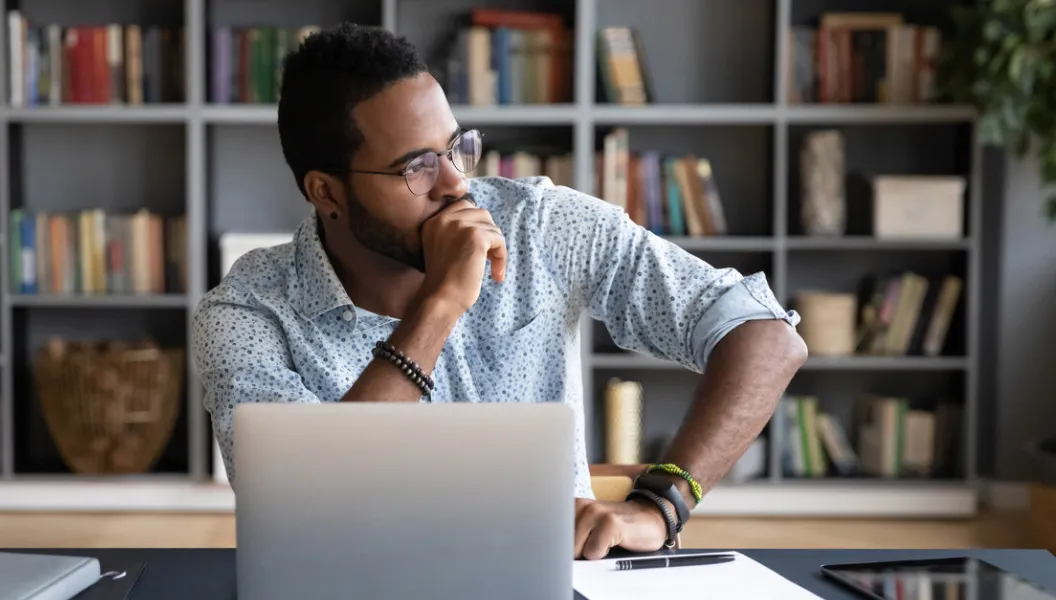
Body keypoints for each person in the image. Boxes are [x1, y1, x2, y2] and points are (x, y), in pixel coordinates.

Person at [191, 22, 807, 561]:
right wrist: (440, 306)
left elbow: (767, 336)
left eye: (457, 147)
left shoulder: (539, 225)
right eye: (416, 167)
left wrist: (664, 502)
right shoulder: (246, 315)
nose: (458, 185)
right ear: (326, 192)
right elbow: (300, 511)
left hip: (555, 576)